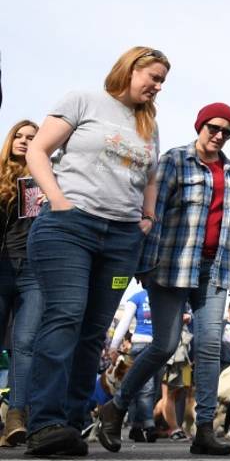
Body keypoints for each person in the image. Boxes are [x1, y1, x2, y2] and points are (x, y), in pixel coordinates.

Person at [23, 46, 169, 457]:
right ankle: (44, 423)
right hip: (70, 228)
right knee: (66, 315)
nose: (156, 87)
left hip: (122, 241)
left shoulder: (149, 123)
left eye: (162, 82)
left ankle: (70, 425)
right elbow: (38, 150)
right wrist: (58, 201)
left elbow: (151, 176)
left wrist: (148, 216)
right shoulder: (83, 100)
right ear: (131, 67)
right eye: (153, 77)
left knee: (93, 334)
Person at [94, 102, 230, 455]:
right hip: (171, 267)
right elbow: (153, 213)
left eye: (226, 131)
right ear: (200, 126)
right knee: (164, 345)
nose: (219, 135)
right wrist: (144, 265)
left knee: (208, 348)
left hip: (215, 268)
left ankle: (205, 430)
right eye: (213, 128)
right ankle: (115, 407)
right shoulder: (175, 161)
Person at [0, 120, 42, 447]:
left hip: (32, 271)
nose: (25, 141)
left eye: (32, 137)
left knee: (24, 343)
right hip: (0, 269)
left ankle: (16, 415)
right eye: (20, 136)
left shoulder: (42, 178)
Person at [107, 288, 160, 442]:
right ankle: (149, 427)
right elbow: (125, 322)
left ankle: (135, 427)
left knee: (152, 389)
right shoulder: (136, 297)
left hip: (160, 347)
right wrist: (114, 345)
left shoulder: (163, 296)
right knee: (147, 388)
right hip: (141, 345)